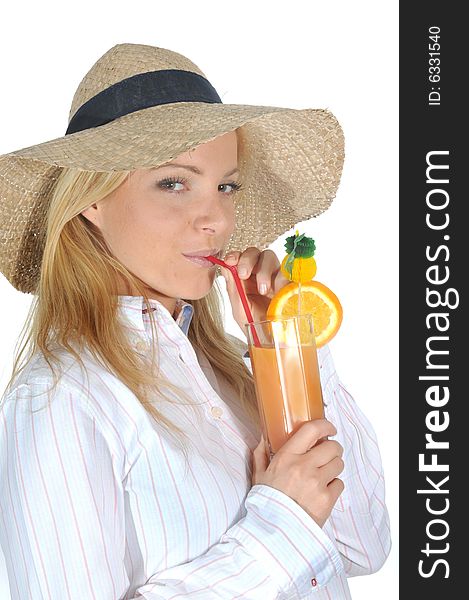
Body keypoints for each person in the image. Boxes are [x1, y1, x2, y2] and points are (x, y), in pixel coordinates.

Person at [0, 43, 391, 599]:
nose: (214, 218)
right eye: (174, 183)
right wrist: (280, 524)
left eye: (225, 186)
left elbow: (363, 547)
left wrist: (285, 342)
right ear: (92, 199)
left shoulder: (235, 375)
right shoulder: (63, 397)